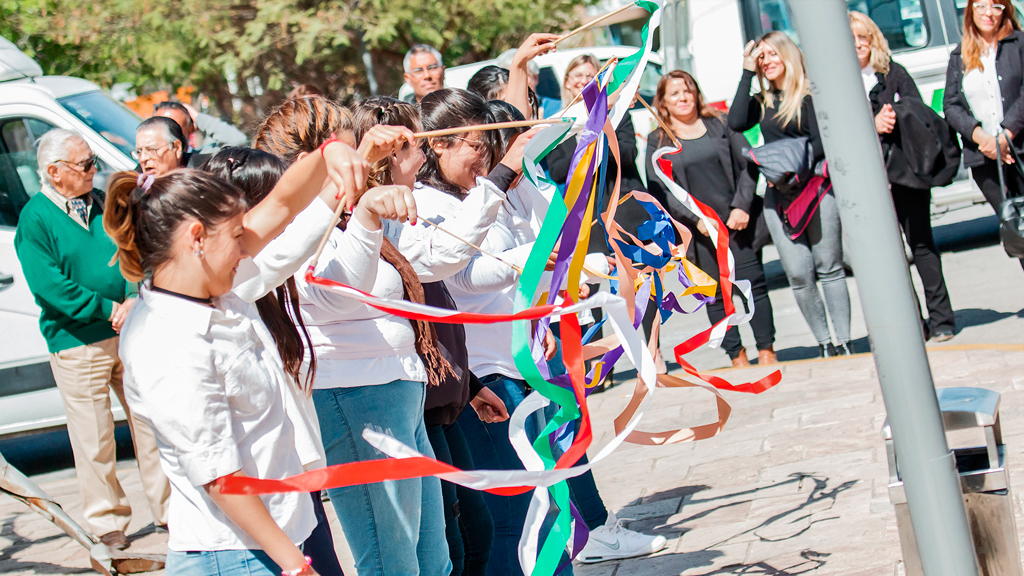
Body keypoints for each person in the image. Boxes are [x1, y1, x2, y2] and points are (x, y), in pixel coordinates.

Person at [106, 136, 379, 576]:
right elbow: (220, 477)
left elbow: (282, 206)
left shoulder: (212, 289)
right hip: (237, 555)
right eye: (237, 236)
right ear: (196, 238)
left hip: (281, 533)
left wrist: (331, 150)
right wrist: (296, 565)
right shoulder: (166, 341)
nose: (248, 246)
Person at [352, 96, 508, 576]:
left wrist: (472, 381)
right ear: (390, 153)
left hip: (441, 394)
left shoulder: (404, 211)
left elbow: (438, 301)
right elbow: (445, 259)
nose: (422, 156)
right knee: (447, 542)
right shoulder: (370, 224)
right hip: (406, 400)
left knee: (469, 531)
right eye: (413, 144)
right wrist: (505, 176)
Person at [13, 129, 170, 550]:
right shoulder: (35, 218)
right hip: (77, 342)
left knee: (148, 424)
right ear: (54, 172)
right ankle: (108, 522)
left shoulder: (101, 203)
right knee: (94, 438)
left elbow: (129, 250)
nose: (93, 171)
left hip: (127, 330)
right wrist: (108, 310)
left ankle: (168, 510)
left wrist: (133, 296)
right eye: (84, 165)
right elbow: (50, 286)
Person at [201, 147, 345, 576]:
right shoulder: (232, 284)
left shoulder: (240, 286)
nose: (283, 224)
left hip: (294, 482)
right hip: (261, 505)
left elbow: (284, 206)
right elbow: (289, 222)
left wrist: (334, 151)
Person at [729, 31, 853, 357]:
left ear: (787, 55)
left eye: (772, 55)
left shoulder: (811, 94)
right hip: (778, 196)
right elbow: (737, 121)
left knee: (829, 267)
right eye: (761, 58)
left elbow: (823, 140)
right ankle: (824, 342)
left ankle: (844, 341)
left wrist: (790, 166)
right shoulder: (764, 101)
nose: (767, 62)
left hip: (815, 190)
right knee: (798, 273)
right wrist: (745, 71)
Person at [646, 70, 777, 366]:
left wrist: (742, 206)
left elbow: (748, 163)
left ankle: (767, 350)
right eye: (675, 93)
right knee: (716, 294)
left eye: (687, 90)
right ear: (663, 102)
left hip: (735, 222)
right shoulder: (658, 140)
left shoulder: (719, 123)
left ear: (696, 93)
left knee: (753, 283)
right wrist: (695, 221)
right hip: (699, 232)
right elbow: (659, 189)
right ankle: (737, 356)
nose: (683, 97)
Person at [852, 12, 956, 342]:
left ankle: (941, 320)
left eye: (863, 37)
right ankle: (913, 324)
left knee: (922, 245)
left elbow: (920, 112)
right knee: (890, 256)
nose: (857, 46)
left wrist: (894, 113)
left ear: (873, 39)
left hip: (907, 174)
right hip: (871, 180)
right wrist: (871, 121)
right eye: (851, 40)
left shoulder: (892, 72)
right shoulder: (840, 83)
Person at [943, 0, 1024, 271]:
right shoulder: (960, 56)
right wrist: (981, 138)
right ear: (970, 11)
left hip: (1019, 148)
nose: (988, 13)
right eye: (980, 6)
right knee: (1018, 232)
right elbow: (951, 105)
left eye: (996, 6)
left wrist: (1006, 136)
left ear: (1005, 11)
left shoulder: (1019, 44)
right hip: (984, 159)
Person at [153, 100, 248, 158]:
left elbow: (237, 141)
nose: (164, 132)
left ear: (191, 129)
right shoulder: (148, 165)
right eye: (158, 126)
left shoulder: (203, 158)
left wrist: (197, 117)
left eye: (173, 125)